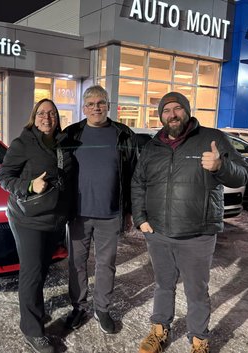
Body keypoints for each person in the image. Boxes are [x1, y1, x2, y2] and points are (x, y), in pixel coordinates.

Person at [131, 92, 248, 353]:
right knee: (163, 285)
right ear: (160, 116)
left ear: (187, 111)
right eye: (166, 110)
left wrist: (220, 166)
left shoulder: (212, 138)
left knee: (196, 292)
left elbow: (242, 174)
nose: (172, 114)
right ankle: (159, 329)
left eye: (177, 109)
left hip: (198, 234)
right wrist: (140, 218)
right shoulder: (153, 147)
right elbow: (138, 183)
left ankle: (199, 339)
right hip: (159, 232)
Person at [0, 98, 74, 353]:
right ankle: (31, 329)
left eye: (52, 113)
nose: (47, 117)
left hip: (54, 218)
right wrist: (29, 186)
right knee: (31, 272)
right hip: (27, 218)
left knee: (41, 270)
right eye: (42, 113)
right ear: (34, 116)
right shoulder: (23, 143)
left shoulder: (63, 143)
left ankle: (37, 312)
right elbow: (4, 177)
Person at [63, 85, 137, 333]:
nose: (96, 107)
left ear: (108, 105)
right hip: (78, 213)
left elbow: (132, 176)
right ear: (84, 108)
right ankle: (79, 307)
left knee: (106, 264)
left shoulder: (123, 134)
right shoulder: (71, 134)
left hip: (110, 213)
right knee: (77, 263)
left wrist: (128, 211)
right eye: (91, 103)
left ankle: (102, 309)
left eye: (101, 103)